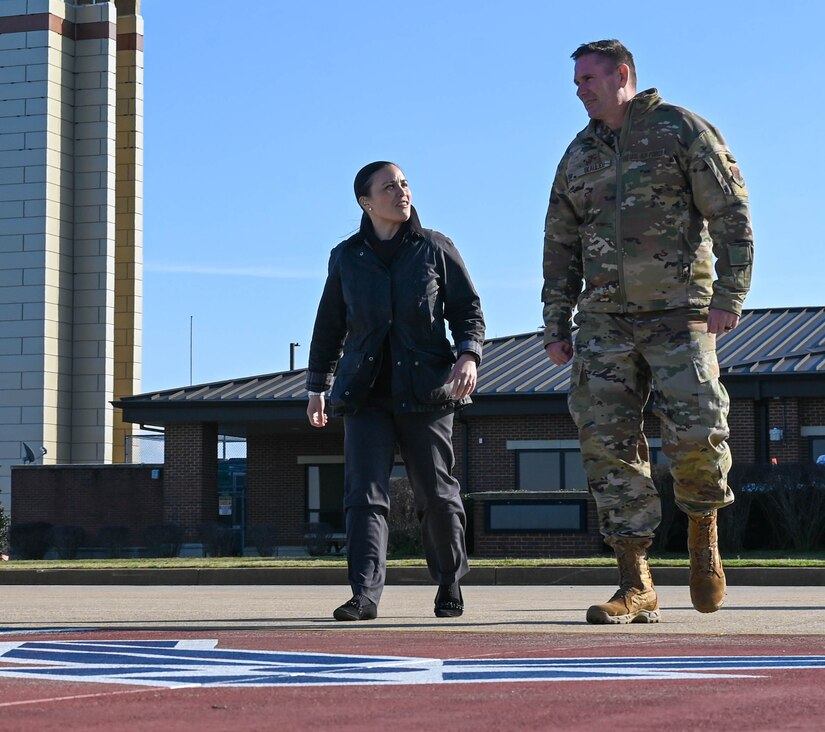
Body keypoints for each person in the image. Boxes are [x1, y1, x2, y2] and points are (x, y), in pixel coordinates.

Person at [542, 40, 754, 624]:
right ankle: (635, 584)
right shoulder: (578, 155)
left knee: (697, 432)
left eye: (588, 78)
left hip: (679, 312)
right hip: (604, 321)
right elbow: (559, 245)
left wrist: (729, 296)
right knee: (606, 444)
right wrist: (556, 323)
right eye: (577, 80)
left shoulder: (679, 130)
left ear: (622, 75)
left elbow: (731, 212)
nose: (579, 89)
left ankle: (703, 537)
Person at [306, 161, 485, 621]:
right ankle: (364, 594)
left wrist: (468, 355)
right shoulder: (346, 257)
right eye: (389, 187)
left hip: (427, 391)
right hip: (364, 395)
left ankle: (449, 581)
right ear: (367, 202)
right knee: (363, 496)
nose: (402, 192)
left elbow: (467, 310)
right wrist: (317, 387)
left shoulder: (435, 248)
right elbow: (329, 328)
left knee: (438, 494)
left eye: (404, 184)